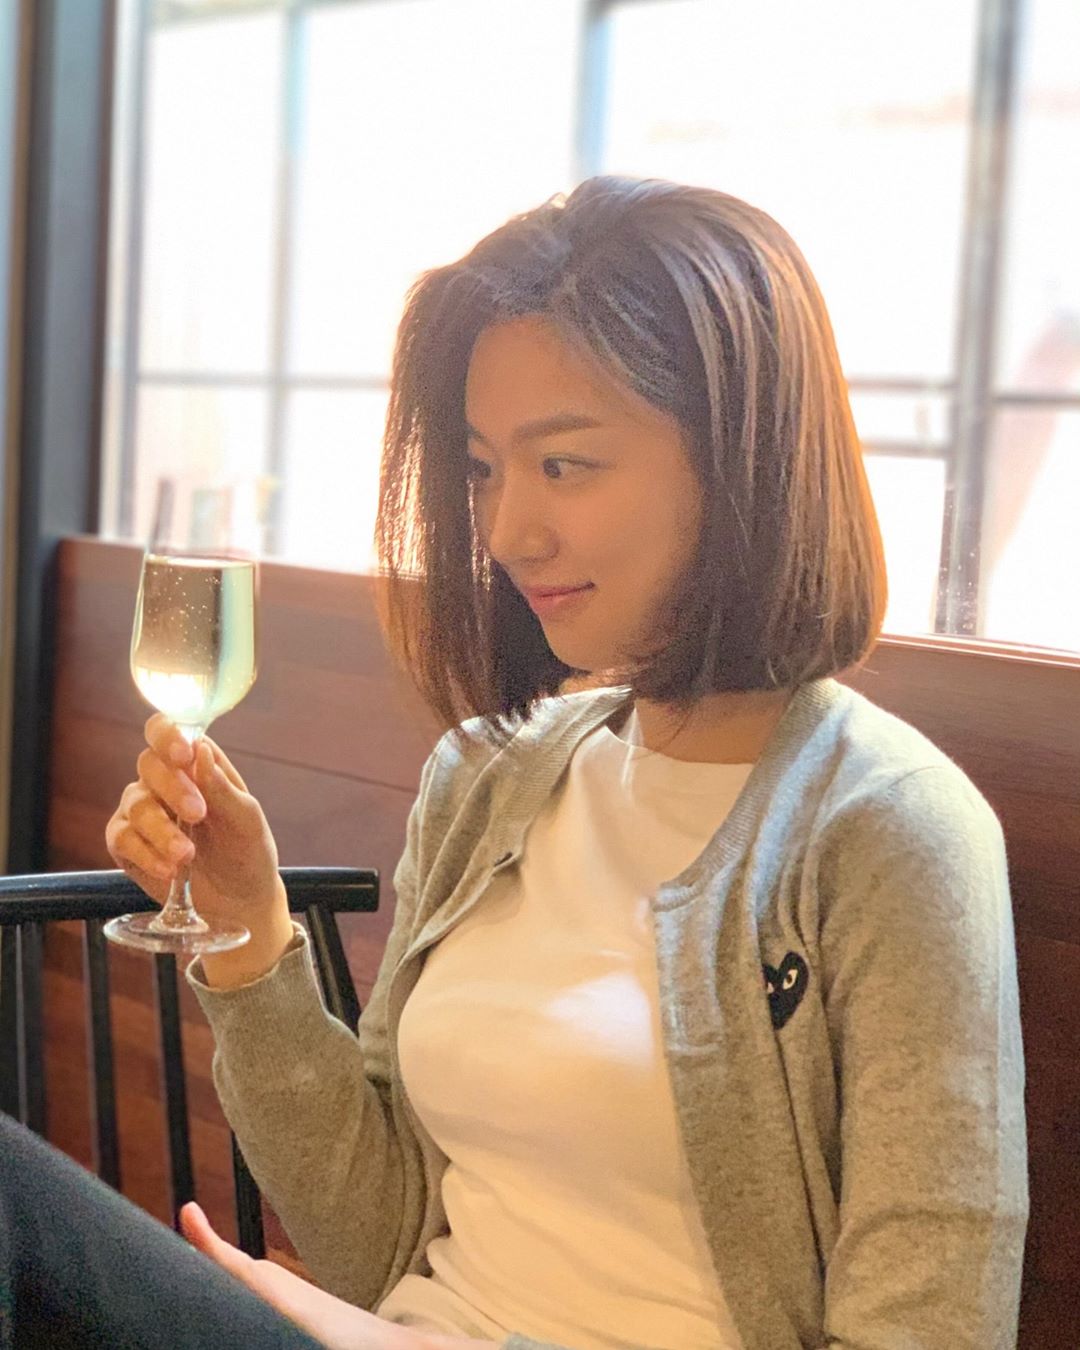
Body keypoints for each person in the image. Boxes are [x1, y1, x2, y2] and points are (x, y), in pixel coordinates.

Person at [100, 176, 1025, 1349]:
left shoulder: (888, 832)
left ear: (741, 464)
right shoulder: (488, 780)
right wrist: (246, 932)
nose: (506, 533)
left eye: (566, 466)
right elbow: (374, 1245)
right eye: (485, 469)